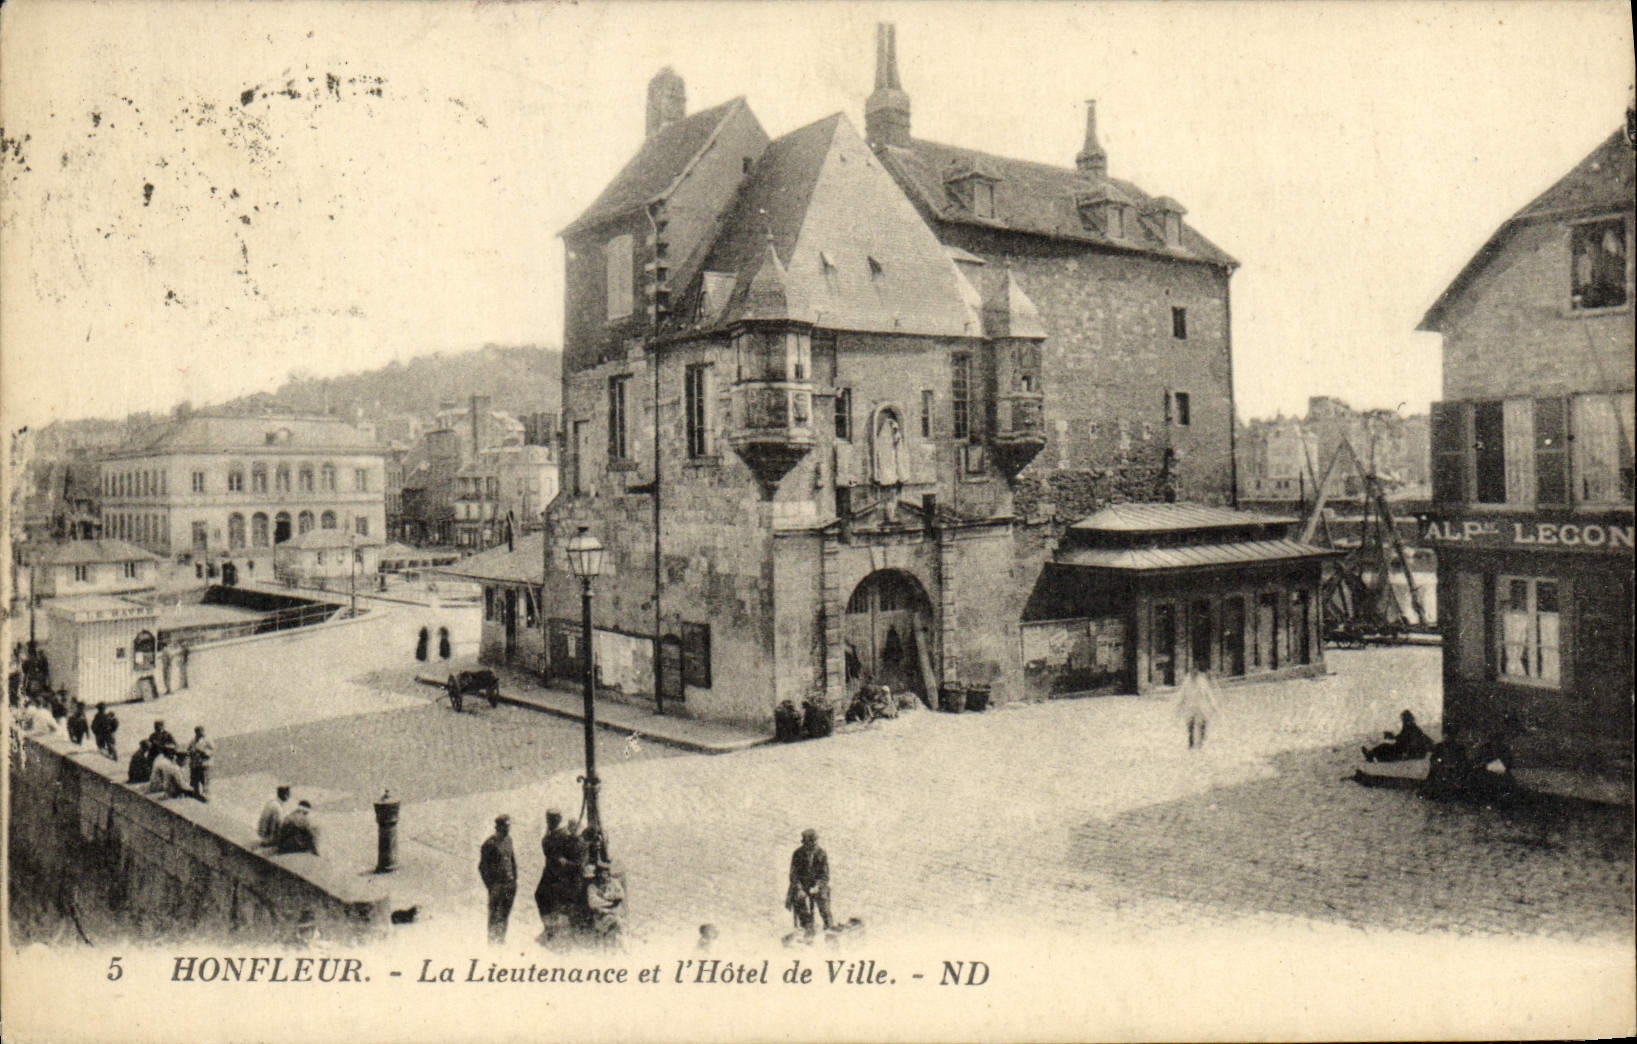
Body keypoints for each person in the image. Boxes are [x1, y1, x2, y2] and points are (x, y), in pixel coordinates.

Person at [534, 809, 585, 929]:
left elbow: (576, 858)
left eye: (551, 820)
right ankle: (551, 926)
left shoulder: (554, 837)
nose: (550, 822)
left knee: (546, 898)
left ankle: (552, 926)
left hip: (561, 876)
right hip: (555, 875)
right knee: (543, 897)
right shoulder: (562, 836)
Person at [786, 828, 835, 938]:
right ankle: (807, 926)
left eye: (815, 841)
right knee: (799, 898)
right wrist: (799, 889)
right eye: (811, 841)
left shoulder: (822, 853)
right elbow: (793, 875)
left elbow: (825, 875)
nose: (814, 844)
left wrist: (817, 886)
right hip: (802, 885)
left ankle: (828, 925)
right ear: (804, 842)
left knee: (823, 897)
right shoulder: (797, 854)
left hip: (817, 885)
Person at [479, 814, 517, 944]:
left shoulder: (509, 840)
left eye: (509, 826)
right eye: (505, 827)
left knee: (505, 915)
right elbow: (482, 868)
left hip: (509, 885)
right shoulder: (489, 844)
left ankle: (501, 941)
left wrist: (514, 880)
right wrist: (491, 886)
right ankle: (492, 943)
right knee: (494, 916)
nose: (508, 829)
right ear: (498, 827)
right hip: (497, 886)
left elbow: (512, 861)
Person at [1364, 710, 1434, 763]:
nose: (1403, 721)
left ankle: (1371, 756)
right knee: (1385, 747)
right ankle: (1371, 755)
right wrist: (1392, 737)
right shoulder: (1412, 728)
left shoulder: (1412, 729)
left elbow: (1403, 739)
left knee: (1386, 748)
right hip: (1408, 751)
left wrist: (1392, 737)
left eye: (1403, 719)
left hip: (1408, 752)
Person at [1174, 670, 1221, 750]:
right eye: (1192, 673)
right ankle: (1191, 743)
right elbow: (1182, 695)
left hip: (1201, 707)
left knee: (1203, 723)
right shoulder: (1186, 683)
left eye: (1195, 673)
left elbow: (1209, 694)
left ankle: (1201, 740)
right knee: (1190, 725)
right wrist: (1178, 707)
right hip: (1190, 706)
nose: (1193, 675)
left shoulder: (1202, 682)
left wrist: (1214, 706)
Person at [586, 863, 625, 941]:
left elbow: (620, 895)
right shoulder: (592, 887)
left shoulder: (614, 882)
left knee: (619, 926)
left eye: (606, 872)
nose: (604, 875)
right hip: (601, 916)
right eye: (601, 873)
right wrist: (610, 903)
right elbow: (593, 902)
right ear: (597, 874)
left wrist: (608, 897)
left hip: (616, 913)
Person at [187, 725, 214, 800]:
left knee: (205, 782)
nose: (199, 733)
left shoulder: (208, 739)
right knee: (194, 782)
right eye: (197, 732)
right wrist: (191, 752)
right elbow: (188, 750)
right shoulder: (193, 740)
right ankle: (195, 796)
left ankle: (206, 797)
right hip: (194, 765)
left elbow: (212, 751)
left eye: (201, 731)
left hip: (204, 764)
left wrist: (203, 752)